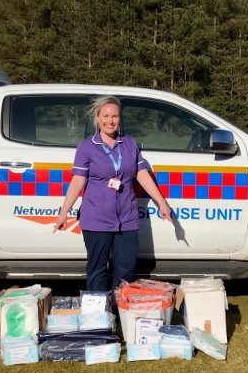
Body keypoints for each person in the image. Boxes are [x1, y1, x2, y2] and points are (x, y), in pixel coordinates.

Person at [53, 96, 173, 291]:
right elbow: (77, 181)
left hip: (127, 219)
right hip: (97, 219)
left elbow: (142, 174)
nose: (110, 121)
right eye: (106, 116)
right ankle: (97, 317)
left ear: (120, 118)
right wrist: (63, 212)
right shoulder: (86, 146)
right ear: (97, 118)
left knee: (126, 270)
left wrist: (162, 203)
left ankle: (119, 314)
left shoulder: (129, 144)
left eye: (115, 116)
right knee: (97, 269)